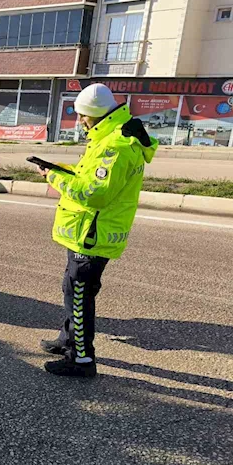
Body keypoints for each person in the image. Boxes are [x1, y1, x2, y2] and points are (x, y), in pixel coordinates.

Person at [38, 83, 157, 378]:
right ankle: (67, 340)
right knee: (72, 290)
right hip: (84, 232)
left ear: (95, 115)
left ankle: (81, 360)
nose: (80, 122)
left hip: (93, 235)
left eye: (82, 116)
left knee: (79, 296)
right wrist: (62, 170)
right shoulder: (107, 137)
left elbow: (95, 194)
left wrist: (54, 177)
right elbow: (88, 177)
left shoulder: (115, 146)